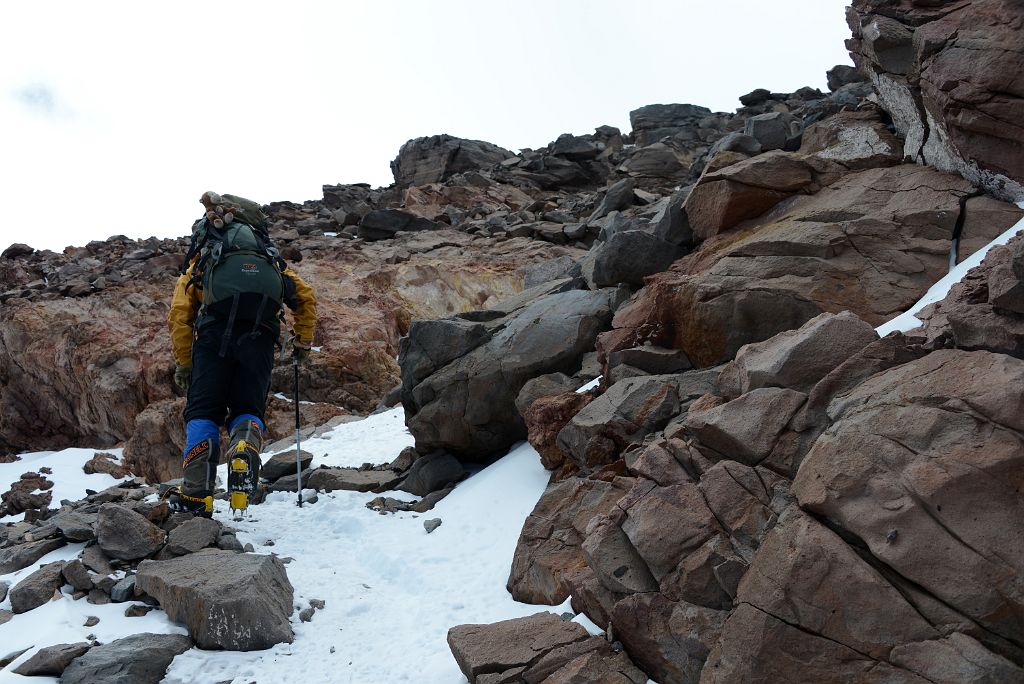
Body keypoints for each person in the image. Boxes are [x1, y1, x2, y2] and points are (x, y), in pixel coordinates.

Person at [164, 192, 317, 516]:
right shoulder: (269, 259)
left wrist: (184, 361)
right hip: (260, 338)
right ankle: (244, 448)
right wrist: (302, 343)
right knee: (248, 408)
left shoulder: (206, 259)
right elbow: (304, 297)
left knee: (203, 411)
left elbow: (180, 312)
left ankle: (195, 496)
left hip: (213, 339)